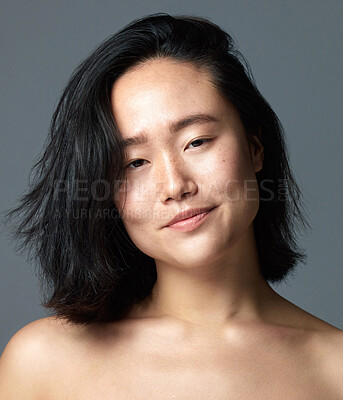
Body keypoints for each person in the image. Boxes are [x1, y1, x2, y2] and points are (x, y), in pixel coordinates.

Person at [1, 12, 342, 399]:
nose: (175, 185)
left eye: (196, 141)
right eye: (135, 163)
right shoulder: (42, 364)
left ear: (255, 147)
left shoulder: (335, 371)